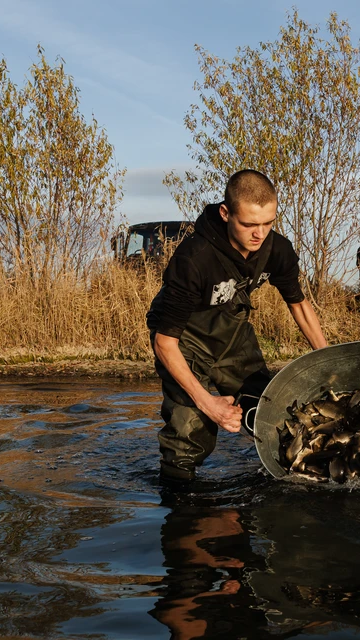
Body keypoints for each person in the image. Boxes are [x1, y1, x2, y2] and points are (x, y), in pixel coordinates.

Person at [146, 169, 328, 482]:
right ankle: (181, 503)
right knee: (191, 432)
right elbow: (164, 342)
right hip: (183, 340)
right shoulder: (194, 258)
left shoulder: (277, 249)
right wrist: (210, 405)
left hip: (233, 333)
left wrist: (328, 360)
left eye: (268, 223)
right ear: (226, 213)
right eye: (249, 224)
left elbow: (298, 304)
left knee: (271, 413)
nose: (260, 233)